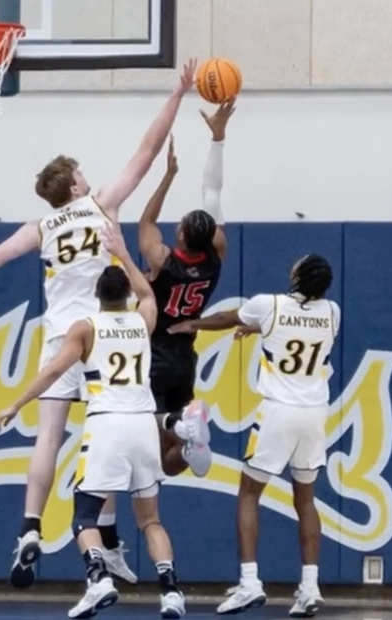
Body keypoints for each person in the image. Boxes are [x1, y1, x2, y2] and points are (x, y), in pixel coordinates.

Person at [0, 57, 203, 589]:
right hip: (109, 332)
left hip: (62, 335)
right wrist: (176, 95)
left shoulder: (39, 226)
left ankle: (31, 529)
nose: (86, 174)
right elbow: (146, 153)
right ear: (77, 183)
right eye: (80, 170)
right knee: (117, 431)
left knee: (50, 439)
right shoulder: (102, 205)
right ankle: (137, 503)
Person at [0, 225, 188, 620]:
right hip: (142, 428)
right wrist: (123, 253)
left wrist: (16, 403)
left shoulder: (85, 329)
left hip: (107, 427)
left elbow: (51, 374)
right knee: (150, 519)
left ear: (97, 297)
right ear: (128, 296)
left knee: (84, 517)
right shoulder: (143, 320)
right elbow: (150, 292)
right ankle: (171, 592)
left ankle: (98, 579)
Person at [168, 254, 338, 618]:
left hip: (278, 410)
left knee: (248, 494)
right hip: (314, 413)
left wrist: (192, 324)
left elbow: (227, 318)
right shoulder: (333, 313)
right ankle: (310, 587)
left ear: (298, 274)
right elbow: (300, 326)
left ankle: (249, 583)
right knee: (306, 501)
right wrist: (260, 328)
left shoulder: (269, 305)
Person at [137, 98, 236, 478]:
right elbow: (213, 193)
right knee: (167, 464)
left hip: (157, 354)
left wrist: (169, 175)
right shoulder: (216, 258)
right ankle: (188, 435)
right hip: (185, 357)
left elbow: (146, 220)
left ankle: (178, 423)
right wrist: (218, 139)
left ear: (180, 234)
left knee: (148, 427)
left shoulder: (163, 262)